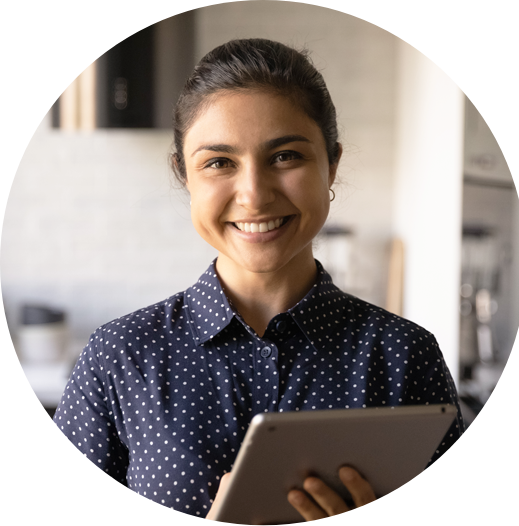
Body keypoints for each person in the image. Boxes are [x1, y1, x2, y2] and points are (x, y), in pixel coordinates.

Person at [52, 38, 464, 522]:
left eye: (286, 156)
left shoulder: (404, 356)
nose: (253, 195)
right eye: (219, 162)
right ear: (185, 174)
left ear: (331, 163)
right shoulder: (118, 359)